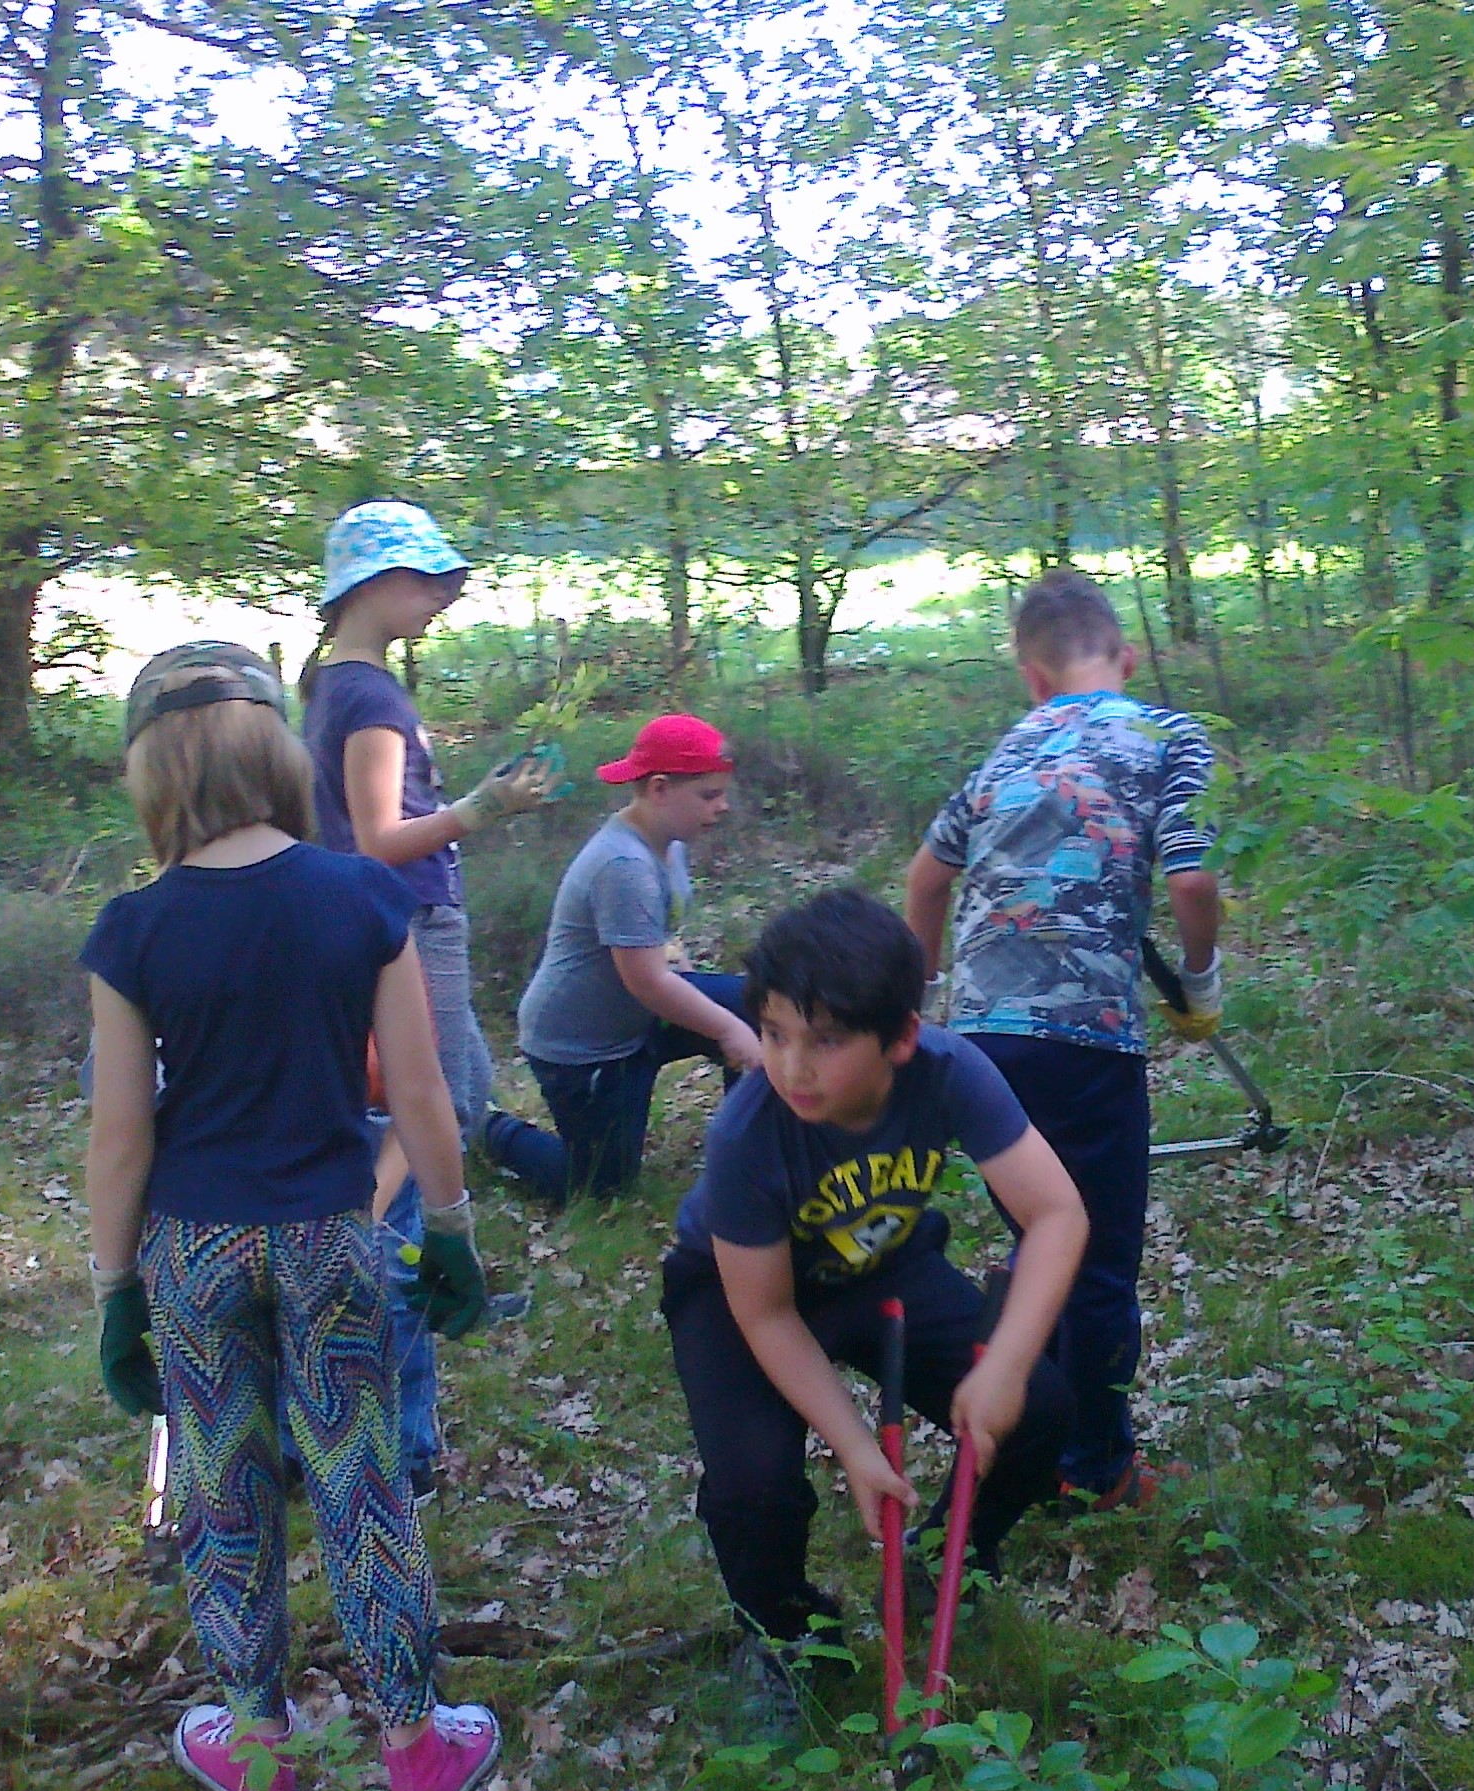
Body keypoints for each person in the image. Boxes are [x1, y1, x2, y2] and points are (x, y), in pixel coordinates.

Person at [83, 641, 503, 1791]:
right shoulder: (361, 895)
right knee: (361, 1478)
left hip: (195, 1249)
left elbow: (120, 1139)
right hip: (332, 1233)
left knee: (226, 1490)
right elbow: (419, 1097)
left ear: (153, 772)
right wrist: (454, 1230)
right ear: (276, 749)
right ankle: (417, 1743)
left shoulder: (132, 930)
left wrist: (117, 1289)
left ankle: (258, 1753)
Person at [662, 889, 1084, 1730]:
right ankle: (789, 1636)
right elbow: (769, 1314)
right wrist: (854, 1444)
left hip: (880, 1263)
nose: (792, 1067)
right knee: (753, 1489)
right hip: (739, 1292)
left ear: (900, 1039)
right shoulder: (749, 1133)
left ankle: (944, 1559)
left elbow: (1057, 1214)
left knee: (1039, 1407)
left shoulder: (950, 1071)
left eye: (825, 1041)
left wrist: (1000, 1368)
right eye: (775, 1033)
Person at [904, 569, 1224, 1513]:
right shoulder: (1170, 736)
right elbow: (1193, 884)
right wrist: (1199, 989)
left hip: (980, 1046)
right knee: (1098, 1263)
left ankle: (1029, 1425)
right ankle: (1096, 1464)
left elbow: (926, 882)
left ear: (1031, 678)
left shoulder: (1008, 748)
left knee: (1042, 1238)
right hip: (1087, 1040)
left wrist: (920, 1009)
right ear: (1123, 660)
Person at [300, 499, 556, 1489]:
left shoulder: (340, 686)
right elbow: (375, 837)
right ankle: (379, 1261)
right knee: (428, 1114)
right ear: (377, 587)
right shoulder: (367, 699)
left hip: (383, 921)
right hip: (404, 922)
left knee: (457, 1088)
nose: (445, 598)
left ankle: (402, 1259)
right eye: (430, 582)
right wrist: (483, 809)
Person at [487, 713, 761, 1204]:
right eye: (709, 795)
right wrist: (725, 1031)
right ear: (658, 788)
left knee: (759, 1006)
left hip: (638, 1021)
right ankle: (486, 1129)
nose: (723, 807)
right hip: (584, 1046)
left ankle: (748, 1160)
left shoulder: (668, 842)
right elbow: (648, 984)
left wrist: (675, 959)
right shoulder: (623, 864)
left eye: (722, 792)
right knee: (599, 1188)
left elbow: (652, 946)